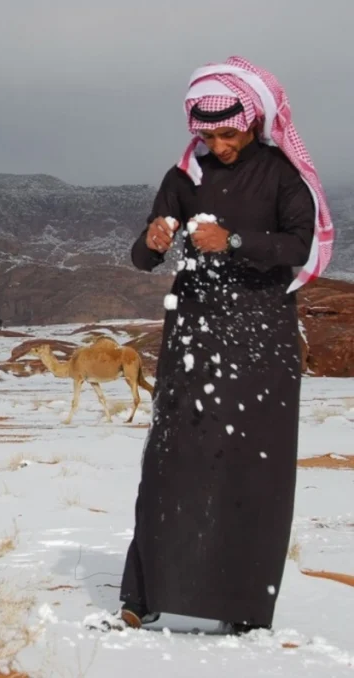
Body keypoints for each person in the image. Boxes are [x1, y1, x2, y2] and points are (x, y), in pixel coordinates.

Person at [119, 56, 335, 634]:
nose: (218, 142)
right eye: (207, 133)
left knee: (252, 466)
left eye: (229, 132)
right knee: (171, 460)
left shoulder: (283, 176)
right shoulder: (182, 179)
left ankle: (241, 606)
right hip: (193, 331)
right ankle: (147, 595)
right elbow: (142, 259)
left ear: (253, 120)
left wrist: (232, 241)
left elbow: (298, 245)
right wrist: (154, 238)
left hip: (262, 333)